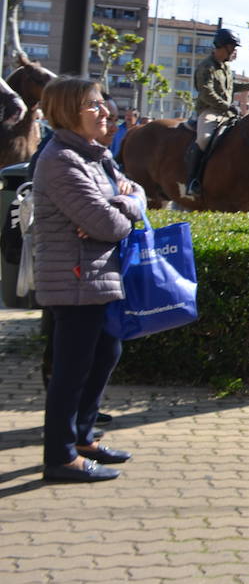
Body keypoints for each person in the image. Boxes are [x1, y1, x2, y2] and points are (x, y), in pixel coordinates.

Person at [32, 76, 146, 482]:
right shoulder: (61, 159)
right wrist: (119, 210)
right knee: (72, 369)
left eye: (102, 103)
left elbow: (136, 195)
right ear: (67, 113)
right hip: (74, 280)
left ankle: (82, 437)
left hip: (97, 277)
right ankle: (60, 457)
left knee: (104, 355)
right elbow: (107, 224)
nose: (105, 112)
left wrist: (124, 202)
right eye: (93, 106)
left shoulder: (96, 156)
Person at [186, 27, 249, 197]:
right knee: (204, 139)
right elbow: (206, 92)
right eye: (233, 48)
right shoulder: (206, 66)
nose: (235, 52)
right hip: (210, 111)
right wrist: (227, 106)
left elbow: (231, 87)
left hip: (227, 112)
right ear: (224, 46)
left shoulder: (225, 68)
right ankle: (193, 180)